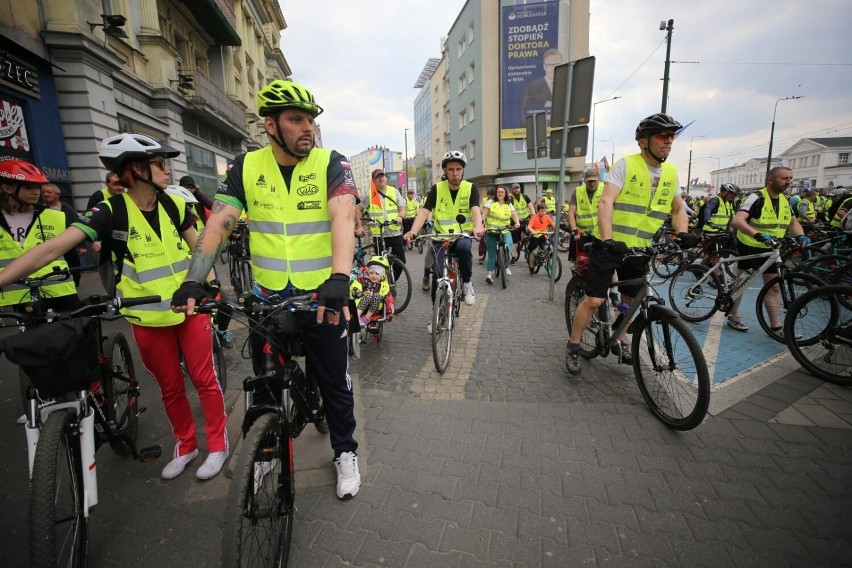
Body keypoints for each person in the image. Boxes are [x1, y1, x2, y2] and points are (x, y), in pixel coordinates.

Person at [170, 79, 362, 500]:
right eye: (296, 119)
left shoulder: (332, 162)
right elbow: (219, 223)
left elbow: (343, 215)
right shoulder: (245, 167)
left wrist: (340, 277)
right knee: (267, 383)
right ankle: (267, 451)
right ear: (271, 125)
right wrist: (193, 278)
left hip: (321, 299)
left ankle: (345, 452)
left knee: (335, 383)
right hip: (269, 300)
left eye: (310, 119)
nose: (307, 128)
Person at [0, 134, 229, 480]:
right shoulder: (109, 212)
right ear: (136, 169)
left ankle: (217, 446)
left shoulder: (174, 205)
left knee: (204, 379)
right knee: (169, 386)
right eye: (159, 164)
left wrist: (210, 283)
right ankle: (186, 445)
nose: (167, 171)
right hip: (147, 316)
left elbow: (201, 249)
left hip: (189, 309)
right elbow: (50, 249)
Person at [566, 113, 697, 375]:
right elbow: (606, 202)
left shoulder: (670, 172)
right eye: (662, 135)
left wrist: (683, 232)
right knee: (593, 300)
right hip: (611, 246)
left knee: (631, 302)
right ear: (643, 142)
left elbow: (678, 208)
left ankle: (622, 337)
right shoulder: (626, 165)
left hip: (641, 248)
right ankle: (573, 346)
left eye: (671, 136)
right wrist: (608, 239)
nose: (668, 141)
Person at [1, 160, 82, 425]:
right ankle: (40, 400)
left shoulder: (55, 216)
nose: (37, 192)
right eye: (28, 187)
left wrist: (76, 277)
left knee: (74, 341)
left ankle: (86, 390)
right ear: (6, 187)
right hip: (18, 296)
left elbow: (70, 253)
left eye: (38, 186)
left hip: (60, 290)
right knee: (31, 350)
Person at [727, 166, 808, 333]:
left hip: (772, 250)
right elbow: (737, 221)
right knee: (741, 283)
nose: (789, 182)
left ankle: (776, 326)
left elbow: (793, 223)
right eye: (784, 178)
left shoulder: (786, 200)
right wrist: (756, 234)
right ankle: (733, 316)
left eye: (790, 178)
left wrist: (800, 235)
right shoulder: (756, 197)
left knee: (774, 287)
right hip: (750, 246)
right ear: (770, 180)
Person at [404, 150, 484, 313]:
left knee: (463, 249)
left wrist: (478, 226)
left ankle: (467, 283)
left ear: (463, 170)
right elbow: (424, 212)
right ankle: (437, 312)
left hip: (461, 235)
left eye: (458, 169)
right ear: (445, 171)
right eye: (451, 170)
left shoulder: (471, 188)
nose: (455, 173)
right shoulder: (437, 189)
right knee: (438, 275)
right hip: (440, 238)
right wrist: (412, 231)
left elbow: (475, 211)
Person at [357, 168, 406, 277]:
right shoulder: (370, 194)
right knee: (380, 264)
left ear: (386, 178)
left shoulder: (394, 191)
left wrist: (400, 217)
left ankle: (391, 282)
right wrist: (360, 227)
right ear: (373, 180)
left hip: (394, 231)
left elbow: (402, 208)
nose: (380, 178)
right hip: (379, 234)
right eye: (377, 177)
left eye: (382, 176)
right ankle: (383, 287)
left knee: (401, 261)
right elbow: (358, 210)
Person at [40, 183, 82, 284]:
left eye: (49, 192)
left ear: (57, 195)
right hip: (47, 245)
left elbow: (78, 226)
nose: (46, 194)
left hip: (67, 245)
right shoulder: (38, 209)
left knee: (73, 267)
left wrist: (81, 245)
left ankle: (75, 284)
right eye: (44, 192)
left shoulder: (67, 209)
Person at [481, 185, 521, 284]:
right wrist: (481, 224)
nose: (500, 193)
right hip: (492, 230)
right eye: (498, 192)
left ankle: (506, 266)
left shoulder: (508, 204)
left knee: (508, 247)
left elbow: (514, 214)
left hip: (505, 230)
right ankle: (489, 275)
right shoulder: (490, 202)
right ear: (496, 193)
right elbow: (484, 214)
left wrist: (517, 223)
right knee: (491, 253)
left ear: (505, 194)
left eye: (502, 192)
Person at [566, 168, 604, 260]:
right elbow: (571, 212)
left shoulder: (605, 188)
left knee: (602, 261)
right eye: (589, 181)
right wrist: (574, 229)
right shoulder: (578, 191)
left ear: (599, 180)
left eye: (594, 181)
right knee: (581, 261)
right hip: (583, 234)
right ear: (585, 181)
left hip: (600, 233)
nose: (592, 184)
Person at [520, 48, 563, 125]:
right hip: (541, 134)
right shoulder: (532, 88)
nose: (554, 68)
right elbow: (525, 117)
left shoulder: (568, 87)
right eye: (550, 65)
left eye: (557, 64)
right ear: (544, 66)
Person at [351, 256, 391, 327]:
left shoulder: (384, 285)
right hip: (360, 305)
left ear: (383, 275)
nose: (373, 276)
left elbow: (386, 295)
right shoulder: (362, 280)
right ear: (368, 273)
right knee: (368, 296)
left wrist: (376, 295)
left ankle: (366, 318)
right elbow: (354, 291)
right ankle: (356, 318)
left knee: (376, 296)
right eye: (371, 273)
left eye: (377, 274)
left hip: (375, 308)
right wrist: (363, 293)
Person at [526, 202, 556, 273]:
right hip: (535, 237)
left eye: (545, 211)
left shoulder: (547, 217)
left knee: (549, 249)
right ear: (538, 211)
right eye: (542, 211)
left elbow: (553, 224)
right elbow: (529, 227)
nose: (544, 212)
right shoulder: (534, 218)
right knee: (534, 252)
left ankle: (548, 263)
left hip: (543, 236)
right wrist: (533, 231)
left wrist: (558, 230)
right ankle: (531, 266)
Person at [509, 183, 533, 264]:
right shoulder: (511, 199)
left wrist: (534, 217)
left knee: (529, 237)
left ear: (520, 189)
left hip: (526, 220)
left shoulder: (525, 197)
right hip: (516, 221)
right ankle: (513, 257)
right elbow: (511, 211)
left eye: (517, 188)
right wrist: (517, 220)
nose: (516, 190)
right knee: (515, 241)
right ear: (512, 190)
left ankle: (529, 253)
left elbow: (531, 208)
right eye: (514, 188)